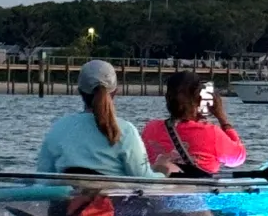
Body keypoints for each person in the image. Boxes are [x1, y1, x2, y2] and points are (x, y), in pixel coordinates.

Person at [37, 60, 178, 178]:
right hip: (113, 210)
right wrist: (163, 171)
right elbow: (143, 179)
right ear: (115, 92)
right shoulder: (126, 131)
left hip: (63, 209)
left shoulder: (58, 128)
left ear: (79, 91)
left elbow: (43, 178)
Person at [141, 71, 247, 177]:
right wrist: (222, 119)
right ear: (200, 98)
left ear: (167, 98)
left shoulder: (150, 128)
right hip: (198, 191)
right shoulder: (211, 133)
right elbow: (238, 158)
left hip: (158, 190)